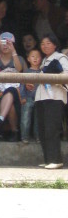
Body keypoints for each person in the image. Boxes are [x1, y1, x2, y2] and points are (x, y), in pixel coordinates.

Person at [34, 34, 68, 170]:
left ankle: (56, 159)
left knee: (51, 129)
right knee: (42, 129)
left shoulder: (60, 58)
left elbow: (66, 74)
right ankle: (48, 160)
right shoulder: (44, 61)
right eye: (42, 43)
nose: (45, 46)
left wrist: (52, 78)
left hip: (55, 97)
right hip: (41, 97)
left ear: (55, 45)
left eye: (48, 43)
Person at [0, 32, 24, 142]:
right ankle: (13, 131)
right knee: (10, 105)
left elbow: (19, 69)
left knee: (11, 91)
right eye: (3, 42)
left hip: (16, 93)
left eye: (9, 43)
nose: (5, 45)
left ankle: (1, 121)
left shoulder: (18, 58)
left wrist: (13, 51)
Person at [20, 48, 43, 144]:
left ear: (41, 59)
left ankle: (38, 137)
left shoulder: (43, 72)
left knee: (39, 119)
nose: (35, 58)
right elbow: (21, 85)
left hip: (39, 98)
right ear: (28, 59)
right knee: (25, 118)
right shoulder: (26, 72)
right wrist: (22, 97)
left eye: (37, 57)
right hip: (28, 98)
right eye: (33, 56)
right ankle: (25, 137)